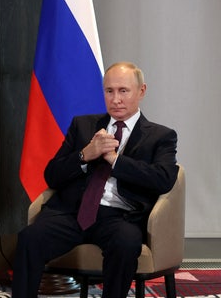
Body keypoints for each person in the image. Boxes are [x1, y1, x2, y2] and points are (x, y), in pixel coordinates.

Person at [11, 62, 179, 298]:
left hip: (120, 217)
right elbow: (52, 175)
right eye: (109, 91)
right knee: (29, 238)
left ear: (141, 91)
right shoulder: (83, 125)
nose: (116, 99)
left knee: (126, 243)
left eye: (123, 91)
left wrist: (115, 160)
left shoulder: (161, 136)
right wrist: (84, 155)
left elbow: (163, 179)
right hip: (72, 213)